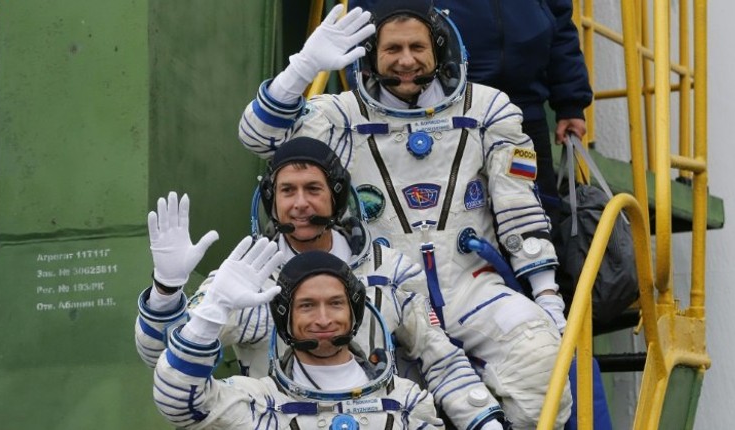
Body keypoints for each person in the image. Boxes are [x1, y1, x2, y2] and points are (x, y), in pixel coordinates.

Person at [237, 1, 572, 428]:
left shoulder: (487, 110)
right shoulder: (341, 117)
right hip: (379, 291)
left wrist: (546, 297)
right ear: (372, 56)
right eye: (393, 49)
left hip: (471, 285)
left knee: (539, 359)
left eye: (418, 47)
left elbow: (519, 207)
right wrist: (302, 68)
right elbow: (259, 136)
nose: (407, 61)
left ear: (439, 50)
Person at [135, 137, 507, 429]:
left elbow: (440, 358)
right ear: (271, 199)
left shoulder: (388, 272)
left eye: (313, 189)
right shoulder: (245, 282)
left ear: (337, 195)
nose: (300, 203)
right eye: (287, 191)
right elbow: (163, 360)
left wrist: (484, 420)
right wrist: (166, 291)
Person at [153, 240, 446, 428]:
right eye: (307, 306)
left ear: (354, 311)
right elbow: (179, 403)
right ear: (284, 318)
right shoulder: (259, 403)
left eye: (335, 303)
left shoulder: (406, 401)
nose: (323, 319)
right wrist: (212, 312)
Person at [348, 0, 593, 221]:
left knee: (538, 215)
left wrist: (570, 101)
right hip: (447, 113)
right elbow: (365, 25)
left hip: (525, 111)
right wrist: (372, 101)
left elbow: (560, 22)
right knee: (449, 219)